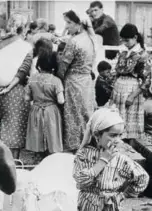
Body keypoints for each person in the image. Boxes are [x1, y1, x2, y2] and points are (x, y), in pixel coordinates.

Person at [70, 107, 149, 211]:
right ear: (97, 135)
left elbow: (142, 178)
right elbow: (80, 179)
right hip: (89, 209)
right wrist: (102, 161)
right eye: (112, 135)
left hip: (112, 209)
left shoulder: (121, 158)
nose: (117, 140)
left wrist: (123, 194)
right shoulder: (84, 154)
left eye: (120, 135)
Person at [0, 32, 32, 159]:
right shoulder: (25, 50)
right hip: (15, 95)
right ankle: (14, 162)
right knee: (15, 128)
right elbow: (22, 72)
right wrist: (8, 88)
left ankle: (0, 160)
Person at [56, 10, 96, 152]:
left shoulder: (74, 41)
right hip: (86, 82)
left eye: (69, 23)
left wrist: (58, 78)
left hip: (73, 82)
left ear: (79, 24)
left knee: (73, 115)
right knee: (85, 112)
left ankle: (74, 147)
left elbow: (63, 66)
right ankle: (88, 145)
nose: (67, 26)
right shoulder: (91, 38)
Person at [109, 23, 152, 146]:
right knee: (117, 124)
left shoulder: (142, 55)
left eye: (127, 40)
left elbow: (146, 80)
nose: (125, 43)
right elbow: (116, 72)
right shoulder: (123, 52)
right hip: (118, 90)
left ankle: (130, 153)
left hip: (131, 90)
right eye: (123, 40)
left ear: (135, 38)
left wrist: (132, 96)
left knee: (129, 127)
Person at [25, 48, 64, 156]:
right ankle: (50, 156)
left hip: (36, 109)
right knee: (52, 134)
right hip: (51, 110)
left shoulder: (32, 79)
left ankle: (39, 157)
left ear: (39, 64)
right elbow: (61, 100)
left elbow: (27, 98)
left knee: (38, 134)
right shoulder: (56, 80)